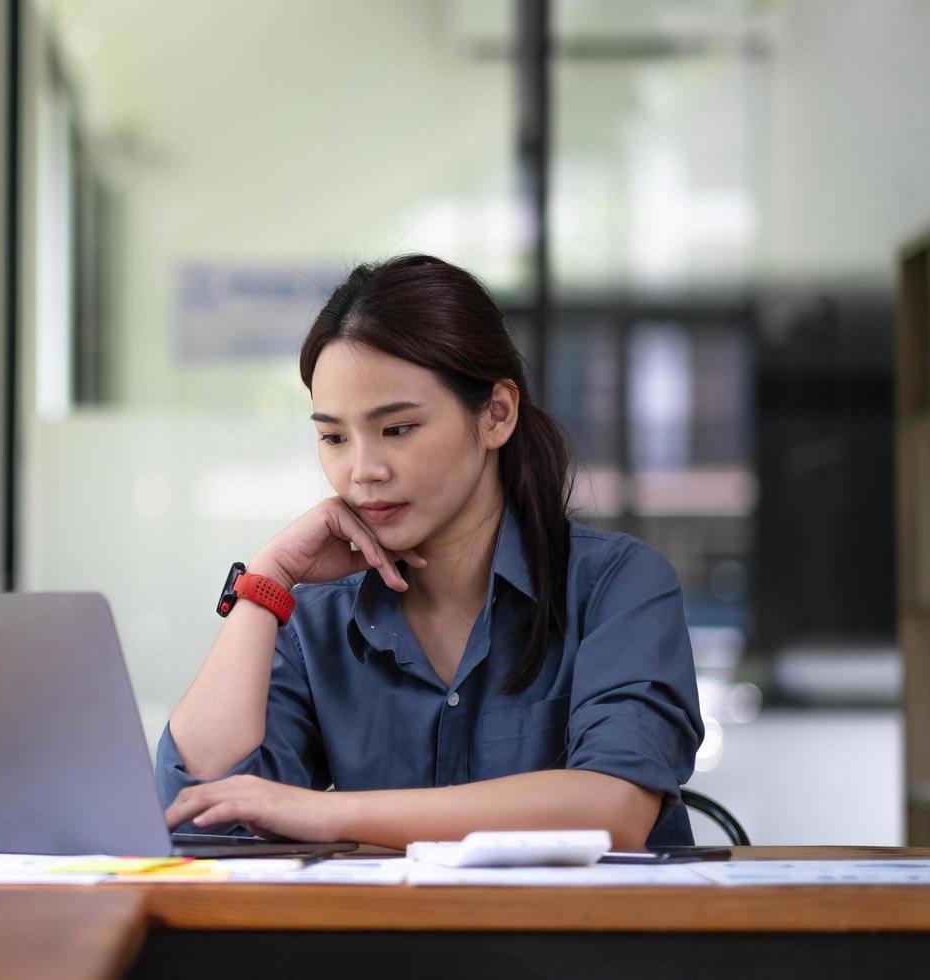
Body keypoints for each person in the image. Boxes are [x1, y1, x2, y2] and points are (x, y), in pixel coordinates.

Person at [157, 254, 705, 851]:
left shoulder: (616, 585)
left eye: (397, 429)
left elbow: (613, 809)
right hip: (387, 946)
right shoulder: (313, 617)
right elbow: (194, 815)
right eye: (334, 437)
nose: (363, 471)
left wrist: (330, 815)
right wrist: (266, 581)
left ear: (497, 414)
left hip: (589, 943)